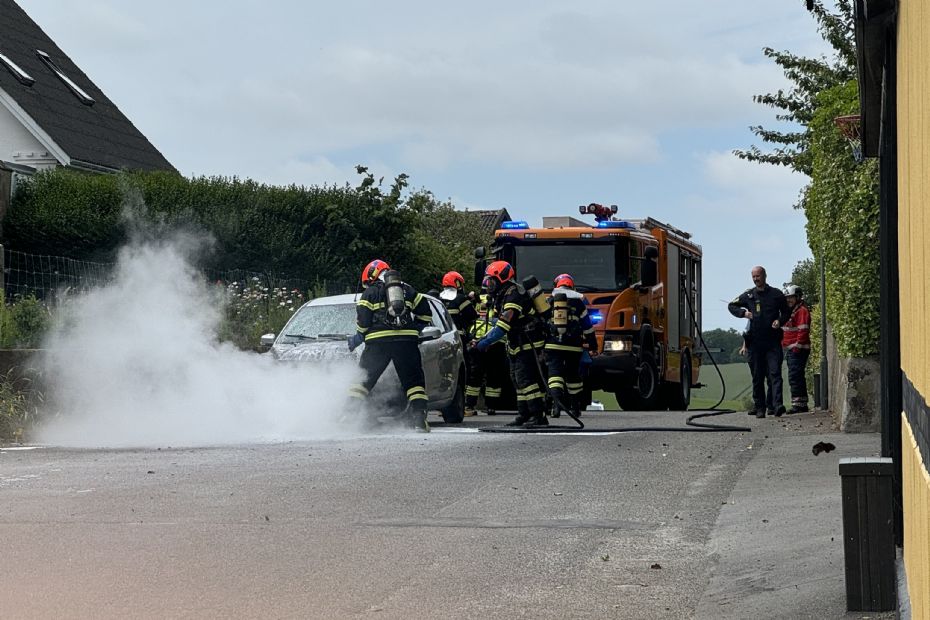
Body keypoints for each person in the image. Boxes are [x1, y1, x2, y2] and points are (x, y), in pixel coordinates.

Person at [347, 259, 434, 432]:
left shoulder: (370, 292)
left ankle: (347, 417)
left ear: (371, 277)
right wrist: (414, 329)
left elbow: (363, 323)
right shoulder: (407, 290)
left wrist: (358, 337)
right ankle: (419, 422)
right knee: (414, 382)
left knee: (362, 381)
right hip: (406, 343)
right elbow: (426, 313)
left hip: (378, 343)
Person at [472, 261, 548, 427]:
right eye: (487, 281)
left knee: (526, 380)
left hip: (528, 343)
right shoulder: (503, 294)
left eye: (491, 281)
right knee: (517, 380)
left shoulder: (514, 295)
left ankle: (538, 415)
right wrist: (480, 340)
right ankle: (524, 414)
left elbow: (503, 326)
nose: (488, 285)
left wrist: (483, 343)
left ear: (502, 278)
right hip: (516, 343)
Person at [728, 266, 790, 418]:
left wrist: (779, 321)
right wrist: (743, 313)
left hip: (772, 342)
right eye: (754, 277)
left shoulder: (776, 294)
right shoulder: (748, 295)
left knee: (775, 373)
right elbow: (731, 305)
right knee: (757, 376)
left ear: (765, 276)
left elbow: (787, 312)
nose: (756, 279)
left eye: (758, 276)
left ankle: (777, 405)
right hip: (755, 343)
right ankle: (760, 407)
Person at [544, 273, 598, 418]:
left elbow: (542, 324)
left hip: (553, 346)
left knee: (554, 375)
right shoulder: (579, 303)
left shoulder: (550, 301)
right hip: (573, 347)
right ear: (571, 286)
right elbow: (588, 327)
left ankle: (556, 407)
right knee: (573, 377)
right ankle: (575, 408)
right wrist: (593, 346)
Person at [464, 284, 508, 416]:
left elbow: (468, 317)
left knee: (474, 376)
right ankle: (491, 407)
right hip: (497, 342)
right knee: (494, 376)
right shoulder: (503, 299)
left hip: (477, 341)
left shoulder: (476, 299)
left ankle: (469, 405)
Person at [781, 284, 812, 413]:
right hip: (792, 349)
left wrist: (797, 347)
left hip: (798, 349)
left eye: (791, 297)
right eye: (787, 297)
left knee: (795, 376)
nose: (788, 300)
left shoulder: (802, 311)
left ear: (798, 297)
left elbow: (803, 330)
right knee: (796, 376)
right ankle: (801, 403)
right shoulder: (791, 311)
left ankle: (799, 405)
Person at [438, 271, 478, 342]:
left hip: (442, 337)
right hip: (458, 336)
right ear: (457, 283)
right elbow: (472, 315)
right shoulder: (461, 298)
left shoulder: (438, 298)